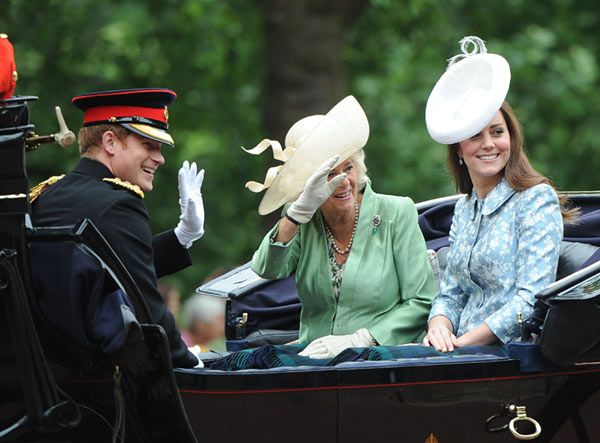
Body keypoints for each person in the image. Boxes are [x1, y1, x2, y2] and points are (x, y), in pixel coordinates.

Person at [245, 96, 437, 359]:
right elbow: (267, 269)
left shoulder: (396, 212)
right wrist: (296, 215)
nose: (343, 181)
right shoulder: (302, 219)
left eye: (348, 167)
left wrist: (364, 338)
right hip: (314, 357)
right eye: (329, 175)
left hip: (381, 357)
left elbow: (421, 301)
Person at [30, 88, 205, 368]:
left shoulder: (47, 194)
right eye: (149, 145)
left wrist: (181, 236)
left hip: (50, 375)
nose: (159, 158)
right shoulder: (118, 204)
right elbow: (145, 305)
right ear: (110, 142)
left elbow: (104, 272)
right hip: (97, 384)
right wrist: (188, 360)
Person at [423, 37, 576, 352]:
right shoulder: (465, 209)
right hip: (455, 348)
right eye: (475, 135)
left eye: (497, 132)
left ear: (511, 139)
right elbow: (451, 294)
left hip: (506, 353)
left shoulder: (536, 200)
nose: (489, 143)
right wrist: (438, 325)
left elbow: (529, 299)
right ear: (460, 151)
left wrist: (462, 344)